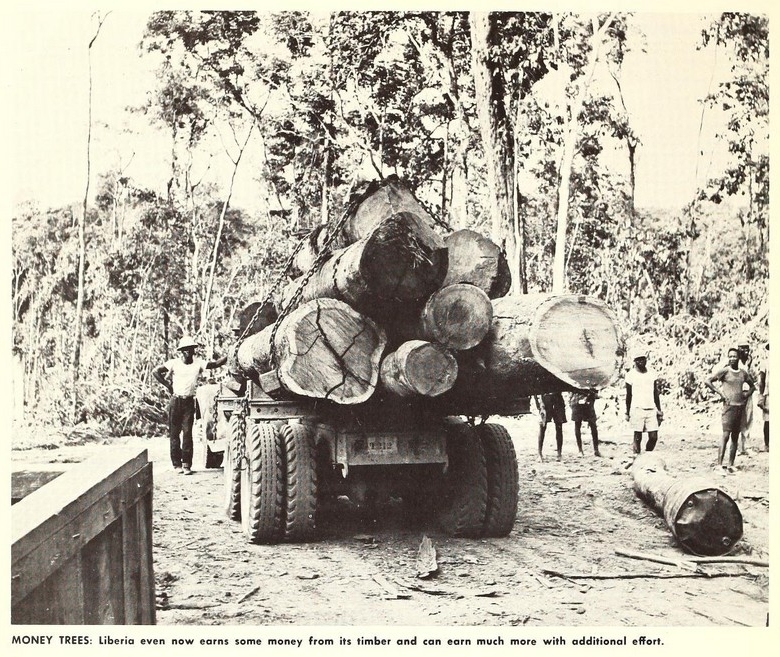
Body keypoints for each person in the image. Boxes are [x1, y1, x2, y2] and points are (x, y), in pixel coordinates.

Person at [154, 336, 227, 474]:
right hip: (176, 401)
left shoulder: (198, 363)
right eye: (185, 350)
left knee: (187, 433)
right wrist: (168, 385)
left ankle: (187, 464)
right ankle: (177, 465)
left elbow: (215, 364)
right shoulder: (174, 363)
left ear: (194, 351)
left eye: (191, 350)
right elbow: (155, 371)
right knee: (174, 434)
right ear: (181, 351)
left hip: (188, 402)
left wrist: (230, 354)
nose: (188, 352)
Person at [706, 347, 756, 468]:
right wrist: (721, 393)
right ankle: (719, 465)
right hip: (729, 407)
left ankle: (731, 465)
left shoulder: (743, 373)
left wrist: (747, 394)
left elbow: (753, 386)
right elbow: (708, 381)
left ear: (739, 357)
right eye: (730, 356)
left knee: (735, 437)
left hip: (740, 408)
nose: (732, 358)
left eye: (734, 356)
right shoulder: (725, 371)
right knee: (725, 435)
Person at [625, 349, 663, 454]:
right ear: (635, 361)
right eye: (639, 360)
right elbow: (628, 395)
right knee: (638, 436)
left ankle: (647, 454)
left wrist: (659, 410)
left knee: (653, 437)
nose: (642, 362)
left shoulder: (651, 373)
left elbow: (655, 393)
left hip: (651, 408)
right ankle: (636, 456)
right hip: (637, 408)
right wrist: (627, 412)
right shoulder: (631, 375)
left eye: (643, 359)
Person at [536, 392, 567, 461]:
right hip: (545, 400)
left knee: (559, 427)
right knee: (542, 427)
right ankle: (539, 454)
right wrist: (540, 404)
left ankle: (559, 454)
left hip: (557, 399)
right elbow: (536, 390)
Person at [736, 340, 755, 455]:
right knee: (737, 419)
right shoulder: (733, 362)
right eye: (742, 348)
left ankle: (746, 446)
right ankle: (737, 447)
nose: (745, 351)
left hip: (747, 393)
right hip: (737, 394)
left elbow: (752, 378)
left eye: (747, 348)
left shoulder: (748, 362)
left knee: (748, 419)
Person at [570, 389, 601, 457]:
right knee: (577, 424)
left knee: (593, 425)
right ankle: (580, 450)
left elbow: (595, 385)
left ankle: (596, 450)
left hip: (589, 400)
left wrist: (594, 393)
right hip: (577, 400)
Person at [757, 342, 769, 452]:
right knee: (768, 419)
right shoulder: (765, 363)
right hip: (769, 393)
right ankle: (767, 444)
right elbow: (761, 380)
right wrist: (761, 397)